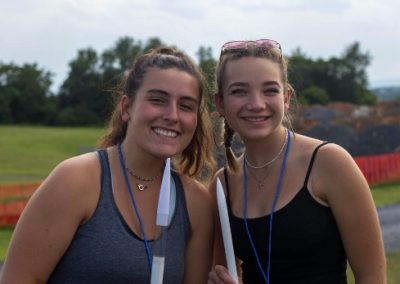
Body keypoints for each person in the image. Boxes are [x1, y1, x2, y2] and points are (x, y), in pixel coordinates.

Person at [0, 47, 216, 284]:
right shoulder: (75, 181)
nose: (172, 115)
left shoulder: (196, 204)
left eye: (185, 106)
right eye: (157, 100)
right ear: (127, 108)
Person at [207, 39, 386, 283]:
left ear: (286, 97)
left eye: (270, 90)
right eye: (239, 91)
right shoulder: (223, 184)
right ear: (220, 103)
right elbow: (225, 270)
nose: (256, 104)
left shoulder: (329, 163)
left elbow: (372, 277)